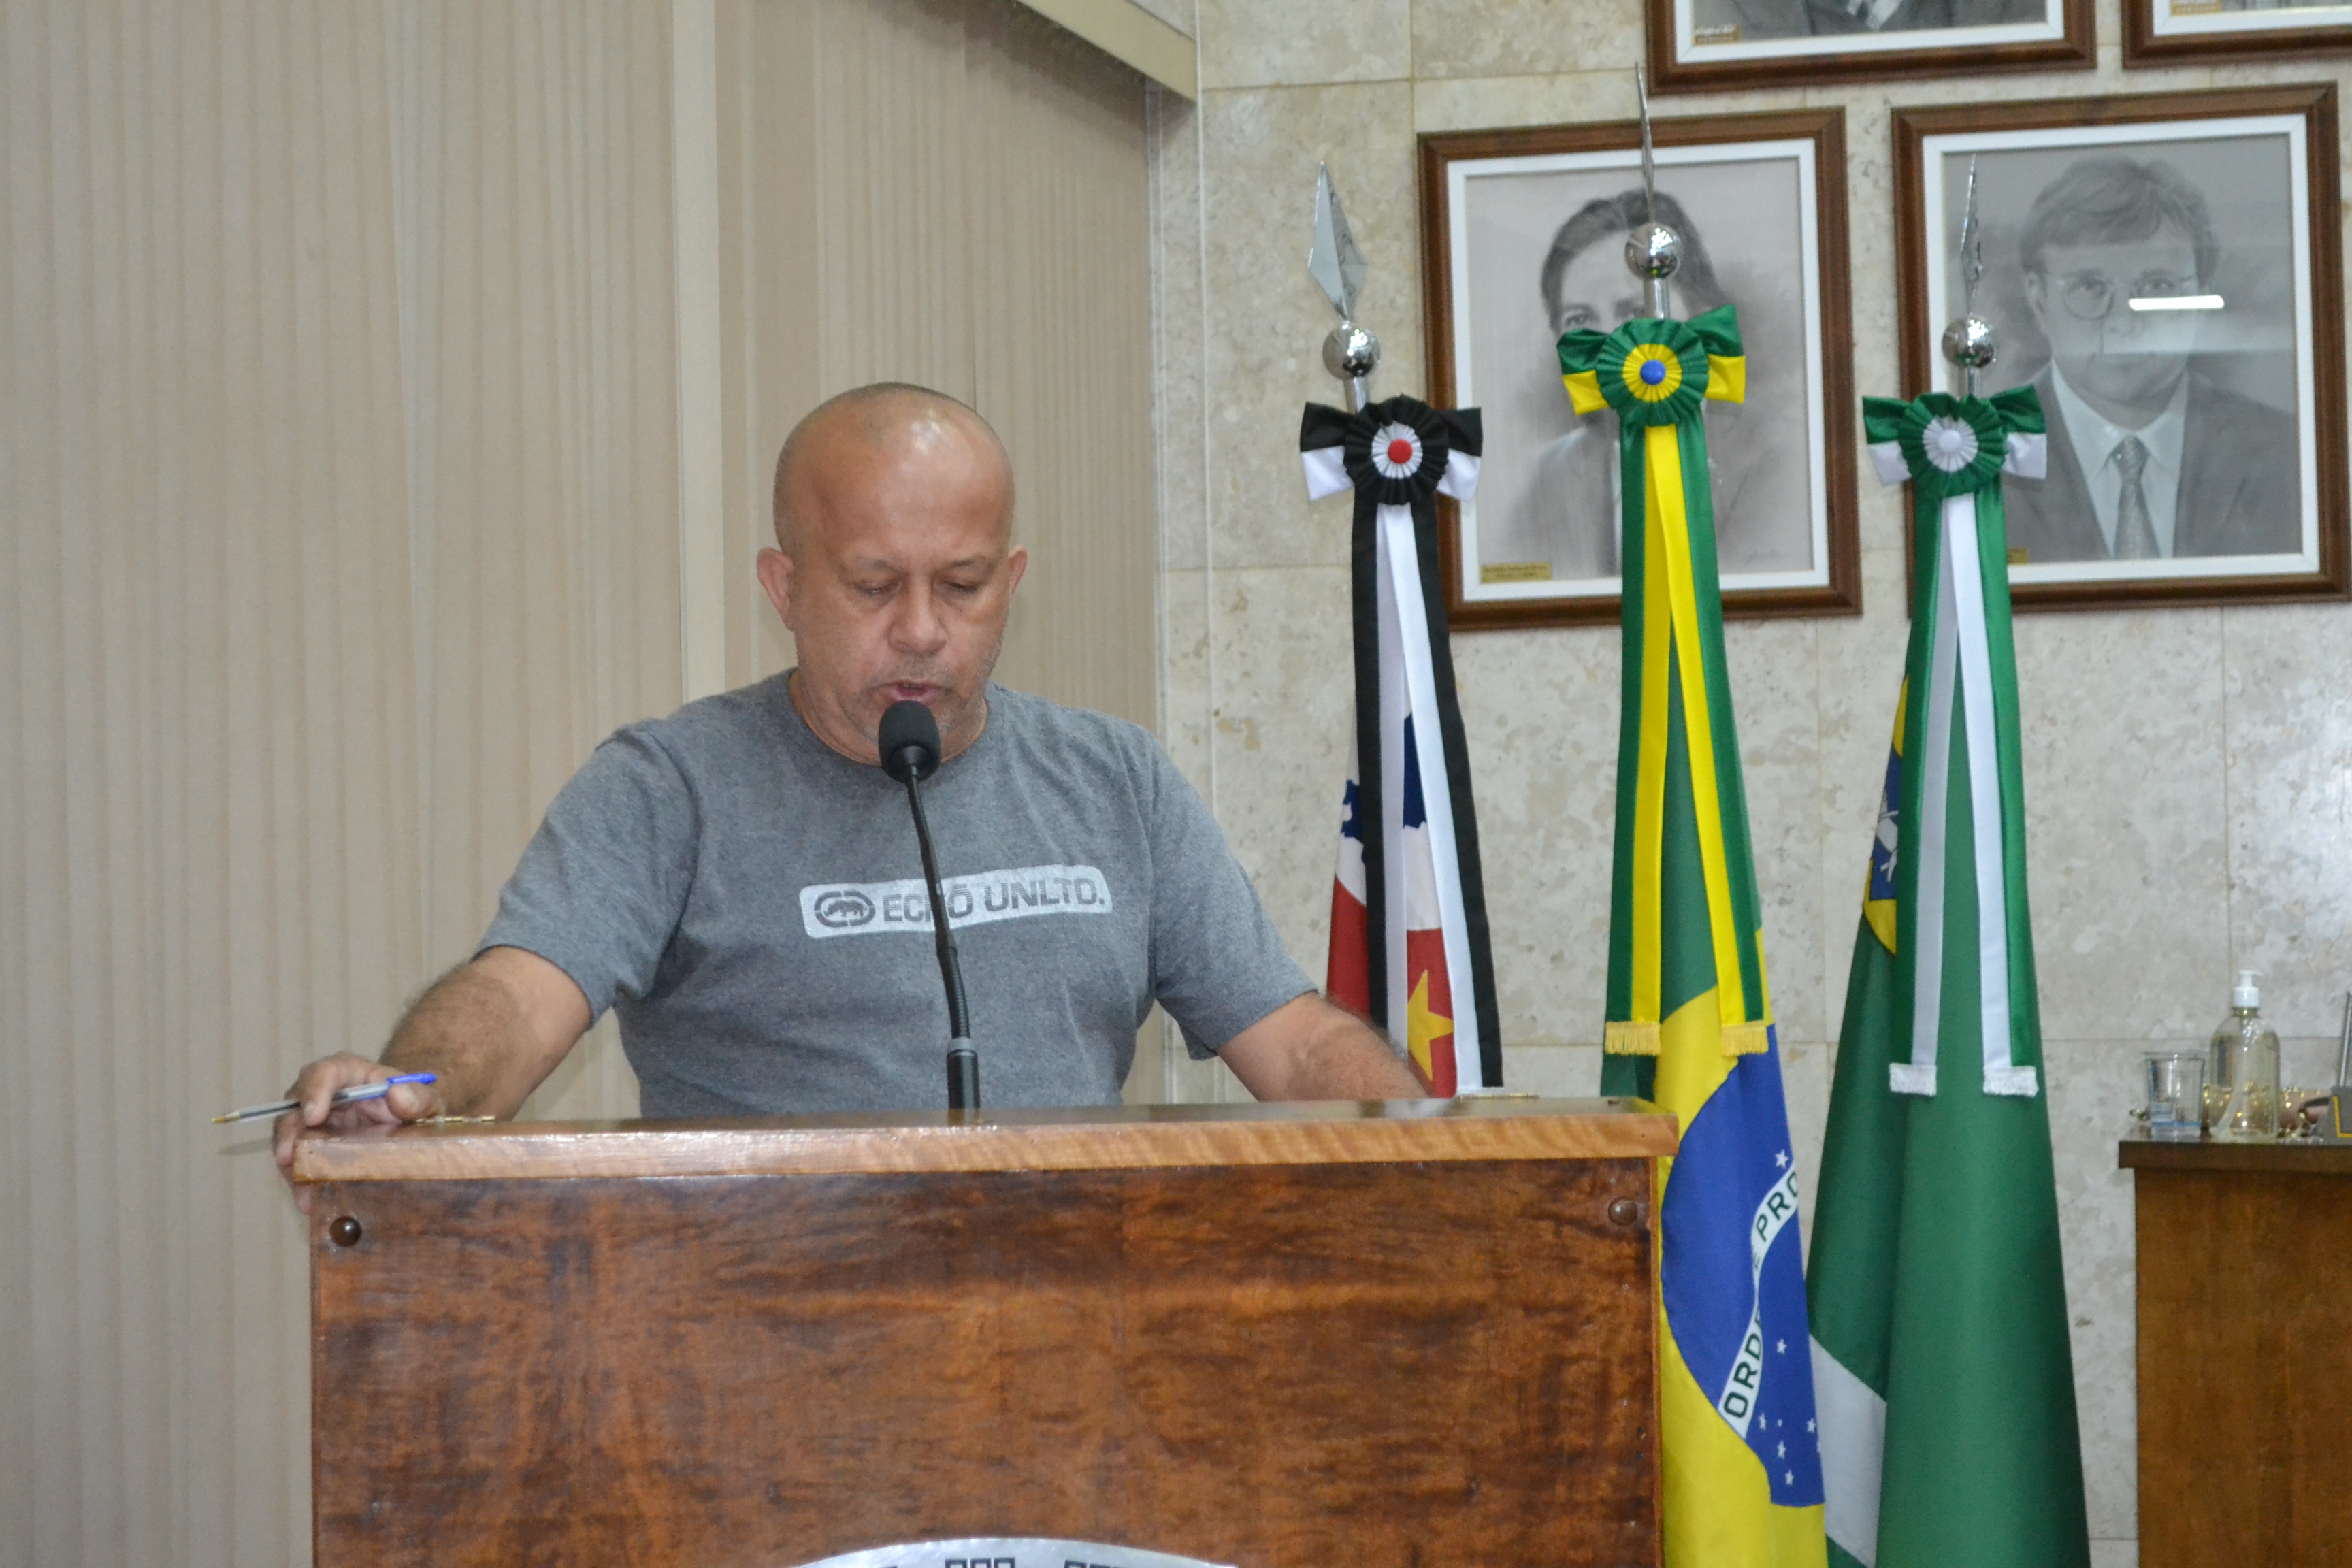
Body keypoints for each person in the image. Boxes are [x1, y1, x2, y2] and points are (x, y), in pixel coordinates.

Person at [276, 383, 1421, 1190]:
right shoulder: (671, 788)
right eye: (873, 586)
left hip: (1078, 1336)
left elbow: (1294, 1046)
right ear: (784, 586)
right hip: (767, 1348)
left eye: (963, 585)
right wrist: (414, 1087)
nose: (921, 629)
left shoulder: (1114, 779)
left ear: (1012, 579)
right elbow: (520, 1001)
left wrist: (1440, 1144)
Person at [1485, 189, 1810, 581]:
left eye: (1637, 311)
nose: (1610, 343)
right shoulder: (1545, 480)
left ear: (1700, 313)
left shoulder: (1783, 458)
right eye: (1580, 320)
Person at [2004, 154, 2300, 565]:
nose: (2123, 323)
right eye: (2089, 287)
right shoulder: (1976, 451)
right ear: (2038, 300)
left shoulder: (2286, 450)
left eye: (2158, 286)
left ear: (2203, 297)